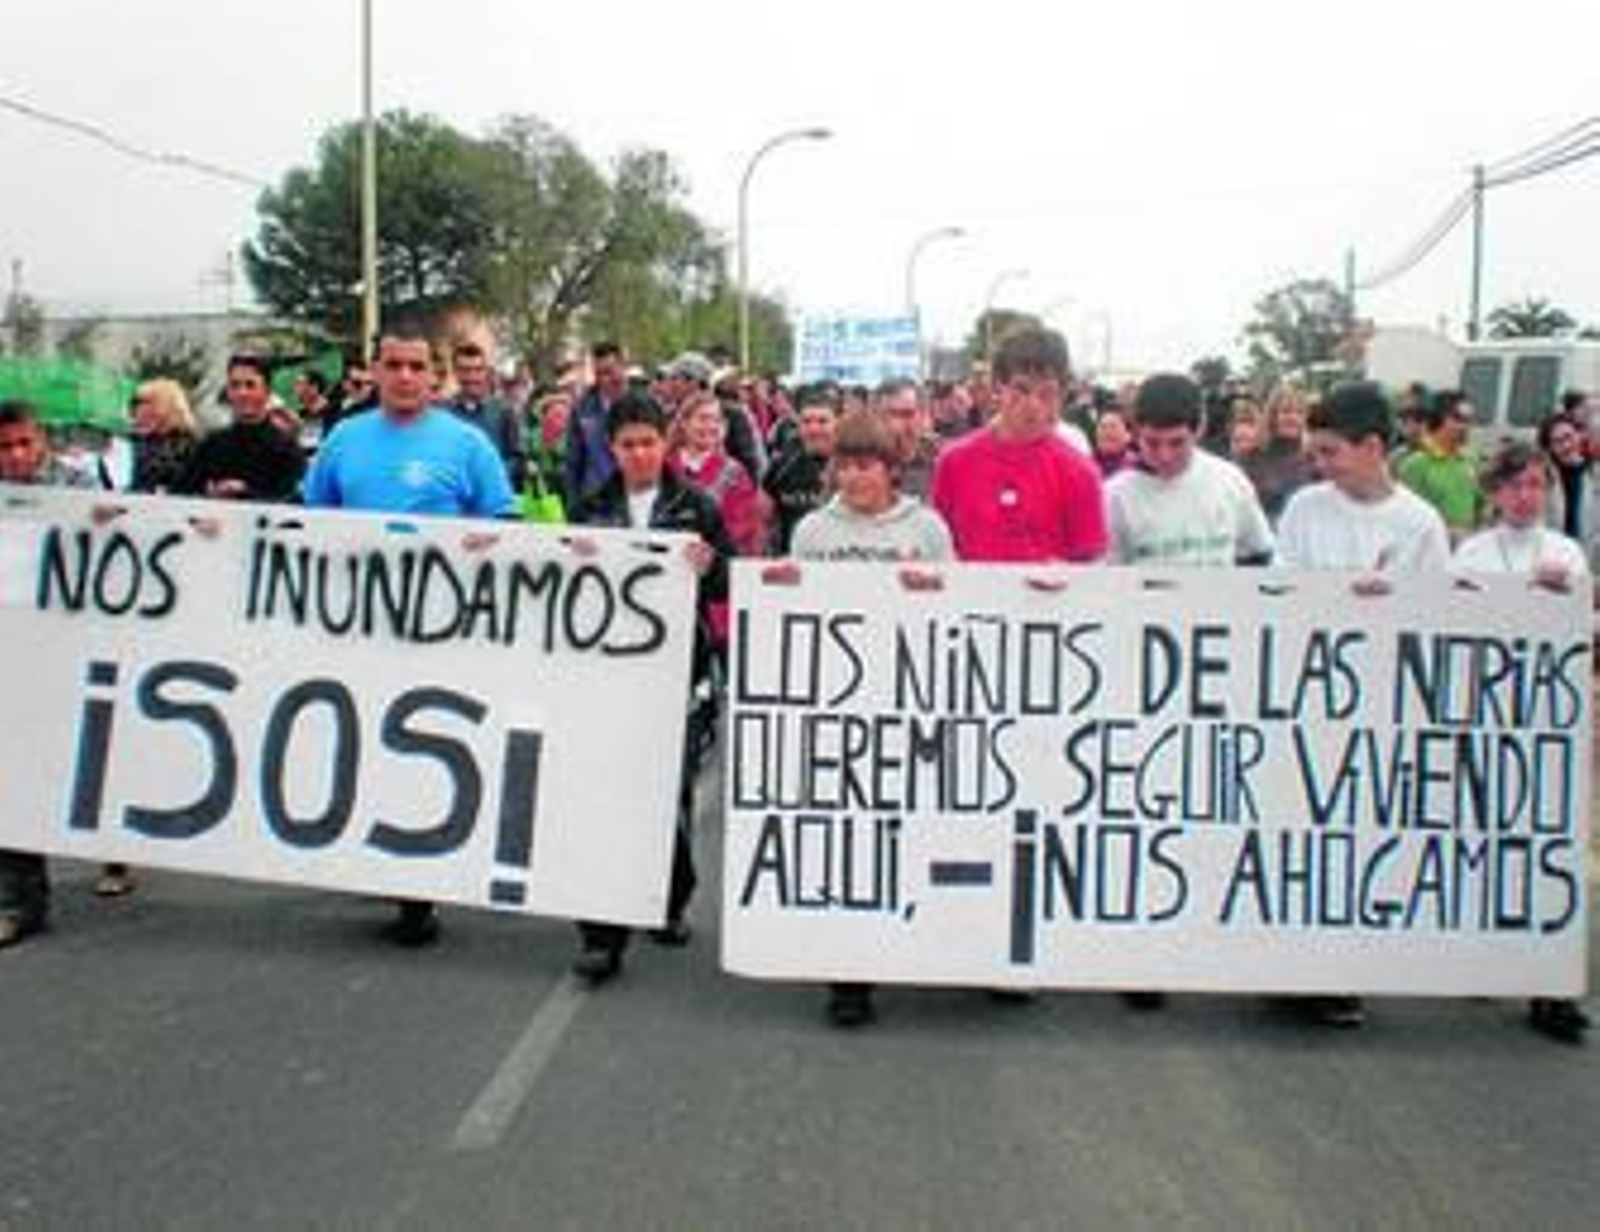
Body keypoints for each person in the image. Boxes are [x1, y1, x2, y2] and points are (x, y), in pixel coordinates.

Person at [302, 324, 517, 947]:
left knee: (429, 743)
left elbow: (505, 523)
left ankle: (424, 881)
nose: (403, 377)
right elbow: (308, 523)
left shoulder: (467, 444)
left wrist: (487, 540)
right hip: (360, 629)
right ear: (373, 370)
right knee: (365, 743)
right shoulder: (343, 440)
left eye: (416, 366)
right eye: (392, 364)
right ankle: (389, 869)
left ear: (434, 374)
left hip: (443, 632)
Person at [1275, 381, 1451, 1027]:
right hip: (1309, 697)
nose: (1319, 464)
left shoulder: (1419, 524)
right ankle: (1298, 968)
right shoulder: (1302, 509)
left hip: (1383, 704)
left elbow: (1441, 613)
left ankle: (1344, 972)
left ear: (1373, 447)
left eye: (1330, 452)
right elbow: (1280, 589)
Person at [788, 409, 953, 1027]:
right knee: (845, 835)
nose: (853, 477)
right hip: (836, 706)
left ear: (891, 469)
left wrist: (931, 592)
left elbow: (958, 604)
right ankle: (848, 973)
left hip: (907, 703)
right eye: (844, 465)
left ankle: (911, 940)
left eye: (866, 465)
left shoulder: (928, 530)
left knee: (905, 829)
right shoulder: (811, 531)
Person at [567, 390, 733, 984]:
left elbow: (726, 587)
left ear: (667, 443)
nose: (639, 453)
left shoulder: (696, 507)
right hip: (609, 673)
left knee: (670, 794)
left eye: (649, 442)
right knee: (608, 795)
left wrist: (709, 564)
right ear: (611, 449)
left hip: (679, 671)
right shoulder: (589, 508)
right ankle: (601, 932)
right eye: (627, 444)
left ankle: (668, 895)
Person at [1451, 440, 1592, 1044]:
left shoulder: (1567, 551)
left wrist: (1563, 598)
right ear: (1494, 492)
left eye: (1537, 485)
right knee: (1483, 833)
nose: (1526, 496)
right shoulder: (1474, 553)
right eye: (1514, 486)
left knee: (1545, 842)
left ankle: (1549, 986)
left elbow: (1582, 624)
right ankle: (1486, 955)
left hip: (1548, 717)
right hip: (1489, 710)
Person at [0, 400, 101, 948]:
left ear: (43, 443)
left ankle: (119, 850)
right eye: (5, 448)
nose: (17, 457)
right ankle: (20, 897)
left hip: (71, 651)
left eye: (25, 444)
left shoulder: (76, 487)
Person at [929, 326, 1107, 565]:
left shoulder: (1081, 472)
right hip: (968, 601)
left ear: (1063, 395)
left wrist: (1068, 574)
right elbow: (937, 549)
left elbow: (1091, 566)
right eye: (1021, 389)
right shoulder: (953, 462)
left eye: (1047, 393)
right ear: (997, 388)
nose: (1032, 405)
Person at [1106, 373, 1273, 569]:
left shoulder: (1230, 481)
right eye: (1152, 443)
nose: (1164, 455)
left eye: (1177, 443)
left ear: (1199, 429)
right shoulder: (1115, 495)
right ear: (1135, 431)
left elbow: (1258, 553)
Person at [179, 354, 305, 503]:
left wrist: (245, 493)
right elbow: (181, 495)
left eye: (250, 385)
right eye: (235, 385)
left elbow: (291, 504)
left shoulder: (287, 448)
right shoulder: (211, 444)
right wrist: (209, 495)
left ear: (267, 392)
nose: (242, 393)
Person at [1396, 389, 1484, 542]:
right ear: (1438, 419)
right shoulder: (1414, 465)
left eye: (1469, 420)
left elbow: (1482, 507)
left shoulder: (1471, 461)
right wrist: (1447, 533)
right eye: (1459, 419)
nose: (1466, 426)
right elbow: (1404, 518)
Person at [763, 385, 840, 555]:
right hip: (794, 565)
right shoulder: (781, 464)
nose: (814, 429)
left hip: (841, 564)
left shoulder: (852, 465)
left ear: (838, 422)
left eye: (822, 421)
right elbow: (763, 521)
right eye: (806, 421)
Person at [447, 340, 527, 492]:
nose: (472, 377)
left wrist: (489, 473)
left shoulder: (504, 411)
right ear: (455, 372)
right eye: (465, 370)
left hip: (493, 500)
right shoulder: (444, 414)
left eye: (478, 369)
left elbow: (518, 459)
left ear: (486, 372)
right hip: (454, 502)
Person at [563, 341, 630, 507]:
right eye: (598, 374)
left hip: (632, 499)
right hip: (594, 501)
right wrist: (574, 506)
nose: (604, 379)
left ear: (624, 367)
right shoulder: (582, 409)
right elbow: (573, 462)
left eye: (610, 372)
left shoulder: (644, 403)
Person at [1243, 383, 1317, 524]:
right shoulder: (1254, 456)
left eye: (1299, 412)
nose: (1293, 418)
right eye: (1286, 411)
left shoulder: (1314, 456)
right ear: (1272, 416)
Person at [127, 378, 201, 496]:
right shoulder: (137, 443)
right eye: (136, 403)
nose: (138, 410)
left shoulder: (191, 447)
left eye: (145, 402)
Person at [876, 379, 941, 500]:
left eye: (907, 414)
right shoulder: (856, 462)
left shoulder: (942, 459)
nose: (896, 425)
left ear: (923, 416)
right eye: (889, 414)